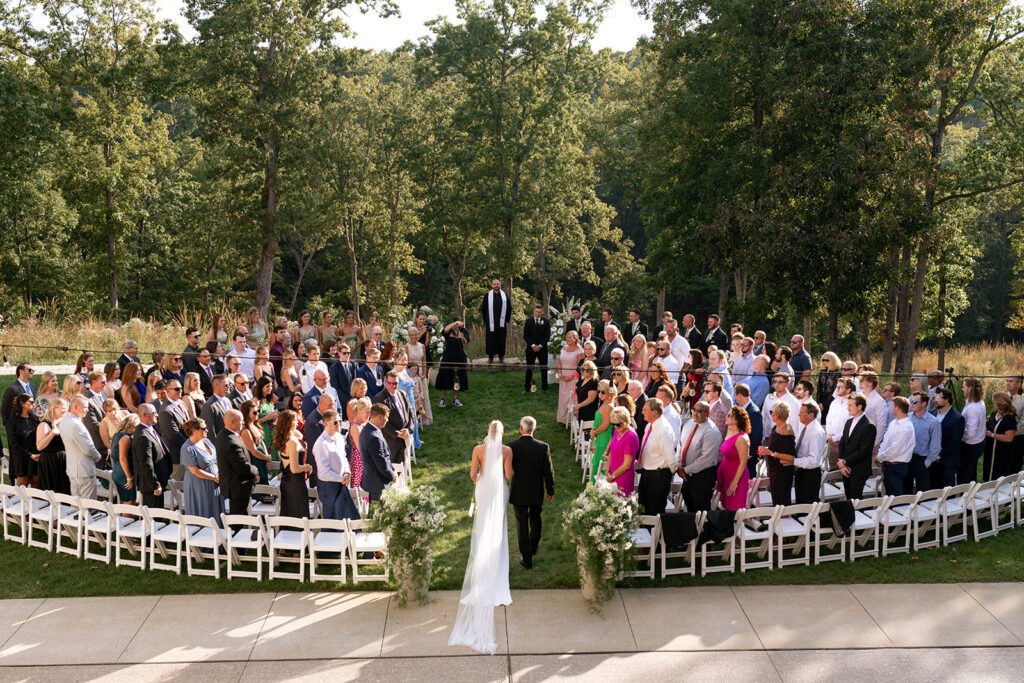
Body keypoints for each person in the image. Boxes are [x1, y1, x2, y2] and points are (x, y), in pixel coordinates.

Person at [448, 420, 514, 654]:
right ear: (502, 433)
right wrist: (509, 472)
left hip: (484, 489)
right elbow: (508, 474)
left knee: (483, 526)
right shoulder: (507, 451)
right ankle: (496, 569)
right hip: (498, 491)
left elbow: (472, 474)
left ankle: (482, 571)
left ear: (488, 432)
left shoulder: (478, 449)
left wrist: (481, 482)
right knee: (498, 528)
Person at [506, 416, 555, 570]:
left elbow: (508, 471)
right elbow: (549, 471)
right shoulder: (543, 447)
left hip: (518, 492)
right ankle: (533, 547)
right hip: (536, 491)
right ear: (534, 428)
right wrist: (550, 489)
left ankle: (527, 558)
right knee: (535, 518)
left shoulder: (511, 447)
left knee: (521, 524)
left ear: (521, 429)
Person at [312, 408, 360, 520]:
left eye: (339, 421)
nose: (338, 424)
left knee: (348, 517)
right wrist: (341, 479)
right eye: (335, 422)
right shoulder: (320, 444)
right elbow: (324, 472)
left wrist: (347, 472)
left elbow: (343, 457)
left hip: (341, 483)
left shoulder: (339, 437)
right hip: (328, 488)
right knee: (332, 519)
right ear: (326, 423)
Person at [677, 401, 722, 512]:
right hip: (686, 475)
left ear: (708, 413)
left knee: (701, 510)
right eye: (694, 409)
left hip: (702, 476)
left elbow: (706, 459)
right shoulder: (688, 424)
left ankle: (703, 529)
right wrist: (679, 465)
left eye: (699, 411)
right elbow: (680, 445)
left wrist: (685, 470)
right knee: (689, 505)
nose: (695, 413)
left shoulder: (712, 431)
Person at [637, 398, 677, 515]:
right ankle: (644, 532)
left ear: (654, 412)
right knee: (643, 506)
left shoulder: (663, 429)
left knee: (654, 509)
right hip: (648, 472)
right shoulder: (650, 425)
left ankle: (654, 533)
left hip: (658, 475)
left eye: (645, 410)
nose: (642, 412)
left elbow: (670, 455)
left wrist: (673, 471)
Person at [217, 409, 259, 517]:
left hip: (235, 486)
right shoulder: (231, 441)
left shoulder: (223, 435)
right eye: (241, 421)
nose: (243, 423)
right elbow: (242, 467)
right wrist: (255, 471)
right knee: (238, 520)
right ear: (232, 422)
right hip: (238, 487)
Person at [271, 409, 312, 517]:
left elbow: (299, 436)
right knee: (298, 515)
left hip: (287, 482)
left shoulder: (286, 437)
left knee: (288, 513)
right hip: (295, 483)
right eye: (295, 420)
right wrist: (307, 467)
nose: (298, 421)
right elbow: (295, 468)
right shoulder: (292, 442)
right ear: (289, 423)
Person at [180, 418, 221, 520]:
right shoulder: (187, 448)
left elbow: (216, 459)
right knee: (203, 510)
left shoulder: (207, 441)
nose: (207, 430)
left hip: (215, 481)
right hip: (199, 484)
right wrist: (214, 477)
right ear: (194, 430)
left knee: (215, 509)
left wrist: (219, 473)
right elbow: (194, 470)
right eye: (204, 429)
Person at [838, 394, 877, 500]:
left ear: (859, 407)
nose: (848, 407)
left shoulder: (869, 426)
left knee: (855, 500)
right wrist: (842, 462)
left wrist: (845, 462)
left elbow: (863, 451)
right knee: (848, 499)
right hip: (845, 468)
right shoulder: (849, 422)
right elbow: (842, 443)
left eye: (850, 405)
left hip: (859, 470)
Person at [758, 401, 796, 506]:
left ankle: (783, 521)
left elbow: (790, 456)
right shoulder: (777, 427)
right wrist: (766, 450)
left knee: (782, 499)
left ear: (777, 414)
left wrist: (771, 453)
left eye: (771, 412)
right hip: (774, 468)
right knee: (775, 497)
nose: (770, 414)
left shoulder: (786, 431)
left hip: (782, 471)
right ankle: (778, 520)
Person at [874, 396, 915, 495]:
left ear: (897, 408)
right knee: (888, 494)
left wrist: (880, 458)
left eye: (892, 405)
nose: (891, 408)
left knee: (896, 497)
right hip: (888, 466)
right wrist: (880, 456)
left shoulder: (906, 428)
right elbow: (885, 442)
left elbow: (895, 449)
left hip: (897, 467)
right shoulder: (894, 423)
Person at [133, 403, 171, 508]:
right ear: (145, 415)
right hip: (151, 486)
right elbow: (145, 463)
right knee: (154, 517)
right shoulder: (142, 435)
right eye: (154, 413)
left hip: (157, 482)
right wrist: (155, 484)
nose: (157, 415)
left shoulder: (150, 429)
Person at [373, 370, 414, 466]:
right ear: (385, 382)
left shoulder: (402, 394)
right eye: (391, 383)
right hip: (391, 440)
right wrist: (397, 433)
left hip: (405, 436)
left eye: (396, 383)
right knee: (394, 467)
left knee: (405, 464)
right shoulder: (379, 398)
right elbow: (381, 422)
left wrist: (408, 429)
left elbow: (411, 414)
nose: (393, 386)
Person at [716, 406, 751, 510]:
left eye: (729, 415)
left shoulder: (742, 438)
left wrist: (734, 483)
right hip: (726, 475)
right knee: (726, 508)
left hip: (737, 478)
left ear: (737, 419)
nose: (726, 417)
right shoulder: (729, 431)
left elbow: (743, 462)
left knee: (735, 510)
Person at [359, 403, 396, 502]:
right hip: (378, 485)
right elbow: (381, 464)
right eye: (387, 417)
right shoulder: (373, 437)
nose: (387, 420)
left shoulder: (368, 430)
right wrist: (392, 475)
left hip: (374, 483)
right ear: (380, 417)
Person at [906, 391, 941, 493]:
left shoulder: (933, 422)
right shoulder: (907, 417)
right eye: (911, 401)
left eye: (915, 402)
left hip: (922, 460)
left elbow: (936, 445)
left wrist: (927, 463)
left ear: (924, 404)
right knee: (905, 489)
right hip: (907, 458)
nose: (912, 404)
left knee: (923, 491)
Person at [36, 398, 71, 495]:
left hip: (64, 461)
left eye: (66, 408)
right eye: (62, 408)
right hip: (50, 462)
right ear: (54, 409)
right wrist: (51, 434)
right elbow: (39, 446)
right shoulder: (44, 424)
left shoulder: (64, 422)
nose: (65, 411)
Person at [932, 387, 964, 489]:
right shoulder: (931, 413)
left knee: (946, 491)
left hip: (947, 462)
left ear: (947, 400)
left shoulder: (957, 418)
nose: (934, 401)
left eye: (938, 398)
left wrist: (938, 454)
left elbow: (954, 442)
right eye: (934, 398)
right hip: (931, 461)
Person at [158, 380, 189, 481]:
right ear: (168, 391)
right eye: (176, 389)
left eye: (181, 388)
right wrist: (191, 444)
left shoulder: (181, 403)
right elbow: (173, 435)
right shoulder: (165, 410)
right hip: (177, 457)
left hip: (186, 454)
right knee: (177, 490)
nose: (180, 391)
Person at [603, 407, 637, 497]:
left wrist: (613, 476)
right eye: (613, 424)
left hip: (623, 477)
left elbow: (627, 465)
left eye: (618, 424)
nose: (616, 427)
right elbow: (612, 451)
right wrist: (607, 471)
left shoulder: (630, 437)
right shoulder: (618, 431)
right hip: (612, 473)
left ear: (626, 421)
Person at [6, 394, 39, 487]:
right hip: (21, 458)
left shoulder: (34, 419)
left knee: (36, 484)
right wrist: (29, 455)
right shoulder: (12, 421)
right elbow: (13, 443)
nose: (34, 404)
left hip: (36, 457)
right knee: (23, 486)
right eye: (31, 402)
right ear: (22, 403)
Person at [984, 391, 1018, 481]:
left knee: (999, 478)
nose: (992, 403)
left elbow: (1009, 438)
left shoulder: (1010, 418)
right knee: (989, 477)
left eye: (993, 402)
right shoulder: (994, 414)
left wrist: (991, 434)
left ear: (1000, 403)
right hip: (990, 452)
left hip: (1002, 453)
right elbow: (988, 425)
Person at [436, 317, 469, 407]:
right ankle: (442, 399)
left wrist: (462, 338)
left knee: (456, 378)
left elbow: (465, 344)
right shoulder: (449, 331)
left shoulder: (464, 332)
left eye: (459, 324)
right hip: (448, 357)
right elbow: (444, 330)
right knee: (444, 376)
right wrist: (454, 324)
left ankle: (455, 399)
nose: (458, 326)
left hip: (459, 357)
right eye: (456, 324)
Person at [240, 398, 273, 489]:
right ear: (247, 415)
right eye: (254, 413)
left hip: (262, 460)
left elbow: (262, 442)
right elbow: (253, 451)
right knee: (260, 490)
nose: (257, 414)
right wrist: (266, 457)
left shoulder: (254, 425)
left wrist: (266, 457)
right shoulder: (245, 430)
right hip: (255, 462)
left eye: (257, 411)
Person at [825, 377, 855, 471]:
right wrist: (829, 437)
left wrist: (836, 438)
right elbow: (828, 420)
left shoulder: (852, 404)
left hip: (844, 443)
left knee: (845, 470)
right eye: (837, 387)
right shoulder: (834, 402)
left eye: (840, 387)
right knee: (833, 469)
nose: (837, 389)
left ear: (848, 390)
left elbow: (850, 426)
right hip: (831, 442)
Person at [589, 380, 616, 484]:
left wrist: (594, 432)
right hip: (600, 437)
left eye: (603, 392)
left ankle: (597, 488)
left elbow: (605, 425)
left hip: (604, 438)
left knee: (600, 465)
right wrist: (593, 430)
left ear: (610, 392)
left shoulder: (609, 406)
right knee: (596, 464)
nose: (600, 394)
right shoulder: (604, 403)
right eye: (599, 391)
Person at [734, 383, 763, 479]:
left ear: (740, 395)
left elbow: (757, 435)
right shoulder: (743, 409)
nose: (735, 398)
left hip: (748, 457)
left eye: (735, 395)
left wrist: (750, 453)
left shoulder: (753, 412)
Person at [960, 377, 986, 484]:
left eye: (964, 386)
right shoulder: (978, 402)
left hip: (971, 446)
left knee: (966, 475)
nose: (962, 389)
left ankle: (965, 497)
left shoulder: (973, 408)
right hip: (978, 442)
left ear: (970, 388)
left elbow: (970, 432)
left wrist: (960, 437)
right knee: (971, 472)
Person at [480, 279, 511, 363]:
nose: (496, 285)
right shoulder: (488, 295)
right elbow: (483, 308)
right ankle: (490, 357)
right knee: (491, 340)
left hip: (502, 322)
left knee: (501, 339)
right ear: (492, 285)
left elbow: (509, 307)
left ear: (500, 284)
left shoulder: (504, 295)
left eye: (498, 284)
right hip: (491, 322)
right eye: (495, 284)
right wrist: (485, 320)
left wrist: (507, 319)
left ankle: (501, 357)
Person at [555, 331, 583, 425]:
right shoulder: (563, 348)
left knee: (571, 399)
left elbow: (580, 366)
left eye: (570, 337)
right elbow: (559, 363)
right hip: (563, 378)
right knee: (563, 399)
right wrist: (560, 374)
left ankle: (572, 421)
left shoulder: (579, 350)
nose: (568, 339)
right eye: (567, 337)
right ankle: (562, 419)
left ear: (575, 339)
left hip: (573, 378)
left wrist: (571, 377)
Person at [523, 303, 551, 392]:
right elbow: (526, 336)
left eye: (539, 312)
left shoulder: (546, 322)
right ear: (533, 311)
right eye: (536, 312)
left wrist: (540, 346)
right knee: (529, 368)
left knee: (543, 368)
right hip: (531, 349)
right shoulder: (528, 321)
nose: (537, 313)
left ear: (542, 312)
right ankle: (527, 387)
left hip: (542, 349)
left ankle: (545, 387)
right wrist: (533, 345)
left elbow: (547, 336)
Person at [346, 398, 370, 492]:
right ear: (359, 411)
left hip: (366, 458)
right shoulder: (355, 426)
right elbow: (361, 447)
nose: (369, 415)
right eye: (367, 412)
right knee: (360, 491)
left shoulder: (365, 422)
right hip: (359, 461)